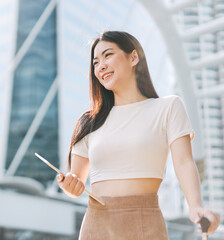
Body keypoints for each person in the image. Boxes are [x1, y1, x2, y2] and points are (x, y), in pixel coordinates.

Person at [56, 31, 220, 239]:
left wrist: (195, 207)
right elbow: (76, 183)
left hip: (146, 222)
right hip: (96, 225)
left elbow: (184, 162)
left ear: (133, 57)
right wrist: (69, 185)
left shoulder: (167, 107)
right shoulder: (88, 122)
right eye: (95, 62)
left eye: (108, 55)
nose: (100, 66)